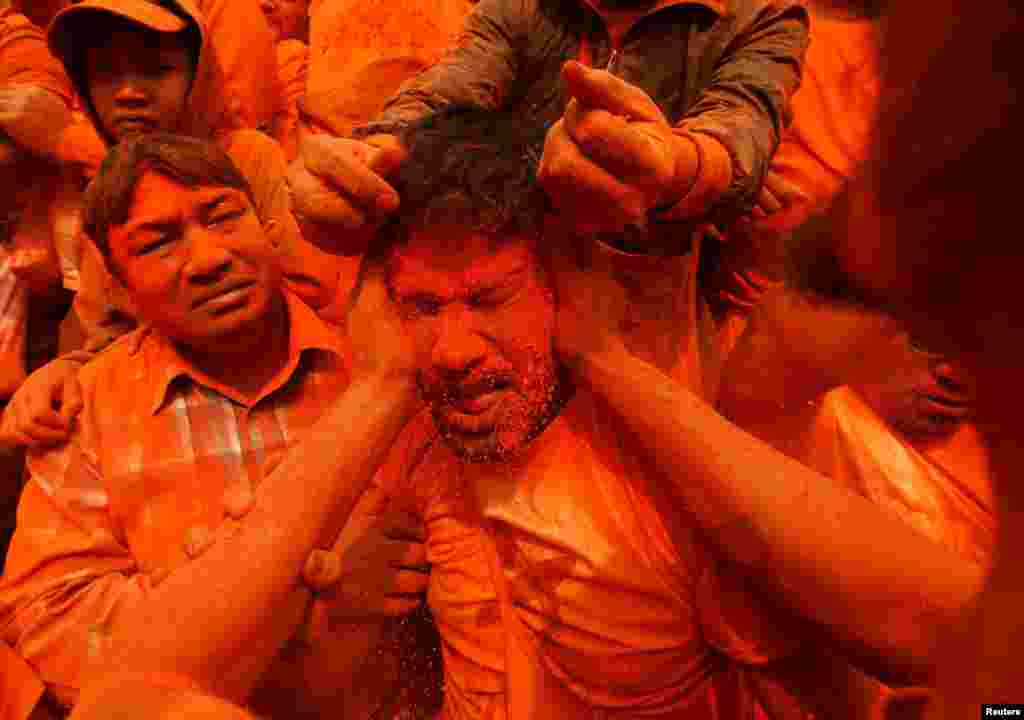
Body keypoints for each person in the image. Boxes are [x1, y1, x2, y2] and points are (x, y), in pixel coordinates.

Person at [308, 107, 984, 719]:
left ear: (563, 284)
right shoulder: (406, 426)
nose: (451, 352)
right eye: (423, 307)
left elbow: (949, 650)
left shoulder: (668, 476)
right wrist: (348, 612)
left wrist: (606, 360)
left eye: (490, 299)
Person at [0, 133, 432, 717]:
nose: (209, 260)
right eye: (158, 244)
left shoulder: (377, 355)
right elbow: (53, 614)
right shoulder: (84, 410)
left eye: (223, 216)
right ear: (121, 288)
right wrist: (301, 603)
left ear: (266, 226)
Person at [0, 0, 355, 453]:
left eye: (156, 70)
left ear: (198, 76)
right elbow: (107, 330)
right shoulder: (108, 188)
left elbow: (319, 297)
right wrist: (68, 368)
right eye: (106, 74)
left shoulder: (250, 158)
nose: (128, 92)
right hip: (167, 412)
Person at [288, 0, 809, 255]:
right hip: (511, 271)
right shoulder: (520, 3)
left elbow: (740, 129)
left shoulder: (762, 14)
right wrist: (373, 154)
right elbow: (455, 86)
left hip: (654, 305)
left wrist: (678, 167)